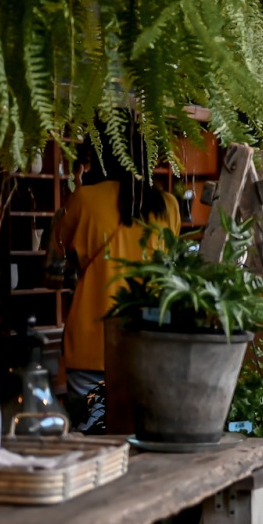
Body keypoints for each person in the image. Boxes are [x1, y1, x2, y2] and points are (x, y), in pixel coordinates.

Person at [48, 127, 182, 417]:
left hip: (91, 346)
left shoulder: (83, 201)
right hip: (151, 343)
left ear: (98, 155)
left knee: (94, 444)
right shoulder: (168, 206)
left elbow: (53, 274)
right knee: (144, 442)